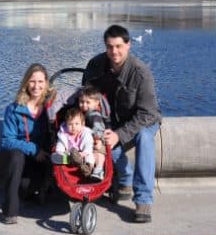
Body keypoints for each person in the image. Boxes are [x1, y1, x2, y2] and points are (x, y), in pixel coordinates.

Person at [82, 25, 161, 223]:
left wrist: (120, 134)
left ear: (128, 45)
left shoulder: (141, 72)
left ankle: (143, 199)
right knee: (104, 143)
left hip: (143, 120)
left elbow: (148, 113)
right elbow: (86, 98)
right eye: (110, 47)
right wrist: (98, 127)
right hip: (110, 120)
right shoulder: (95, 65)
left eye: (119, 46)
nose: (114, 51)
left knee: (144, 138)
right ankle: (125, 180)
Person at [0, 63, 54, 225]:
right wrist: (34, 149)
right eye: (32, 81)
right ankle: (9, 210)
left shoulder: (50, 109)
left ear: (46, 83)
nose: (36, 86)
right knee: (17, 155)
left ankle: (36, 187)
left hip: (36, 161)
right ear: (26, 83)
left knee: (25, 188)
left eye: (41, 81)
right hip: (11, 158)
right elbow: (7, 141)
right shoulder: (13, 109)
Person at [52, 107, 95, 178]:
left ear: (82, 124)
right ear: (66, 124)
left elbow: (88, 145)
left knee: (91, 156)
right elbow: (59, 148)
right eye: (70, 124)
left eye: (77, 124)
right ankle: (73, 160)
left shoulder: (86, 133)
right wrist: (64, 154)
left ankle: (88, 169)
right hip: (69, 156)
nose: (73, 127)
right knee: (54, 157)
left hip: (82, 155)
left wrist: (83, 153)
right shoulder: (63, 135)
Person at [77, 85, 108, 180]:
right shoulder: (83, 113)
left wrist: (97, 139)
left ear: (96, 103)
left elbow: (98, 128)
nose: (84, 105)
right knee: (90, 154)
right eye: (81, 102)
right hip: (88, 140)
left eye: (88, 102)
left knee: (98, 152)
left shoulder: (94, 114)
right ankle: (89, 169)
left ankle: (99, 170)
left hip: (97, 140)